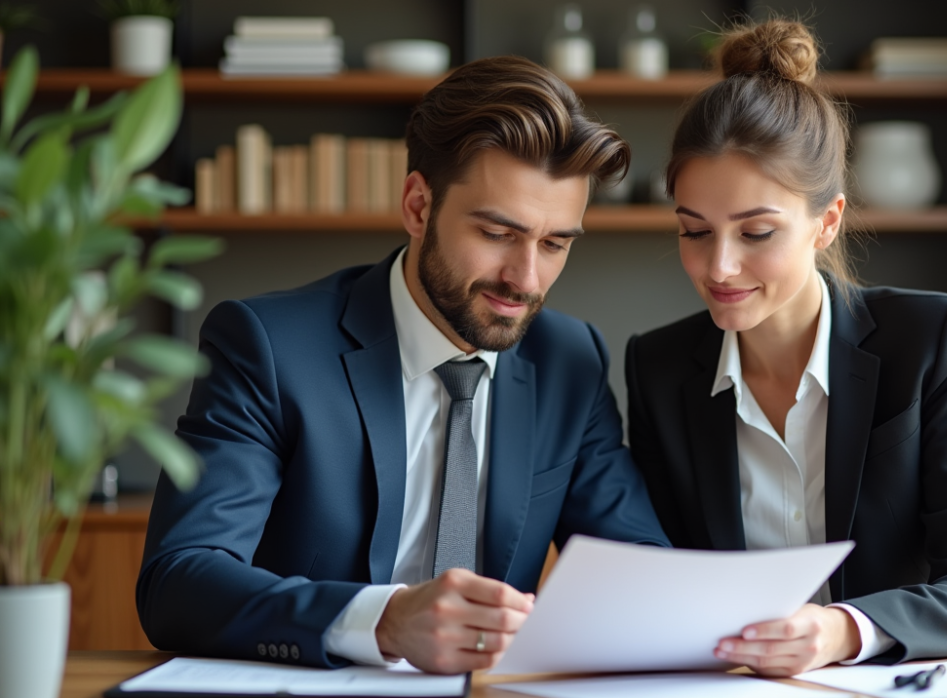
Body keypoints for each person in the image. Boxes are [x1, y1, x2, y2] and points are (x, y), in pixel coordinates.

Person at [137, 56, 668, 675]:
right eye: (498, 233)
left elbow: (641, 573)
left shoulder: (569, 361)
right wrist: (383, 621)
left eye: (554, 244)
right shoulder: (267, 346)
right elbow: (178, 582)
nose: (526, 279)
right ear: (418, 206)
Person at [624, 19, 947, 677]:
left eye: (756, 232)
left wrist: (845, 631)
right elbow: (667, 581)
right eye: (694, 231)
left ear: (828, 221)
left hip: (928, 679)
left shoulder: (932, 339)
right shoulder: (659, 369)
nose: (719, 267)